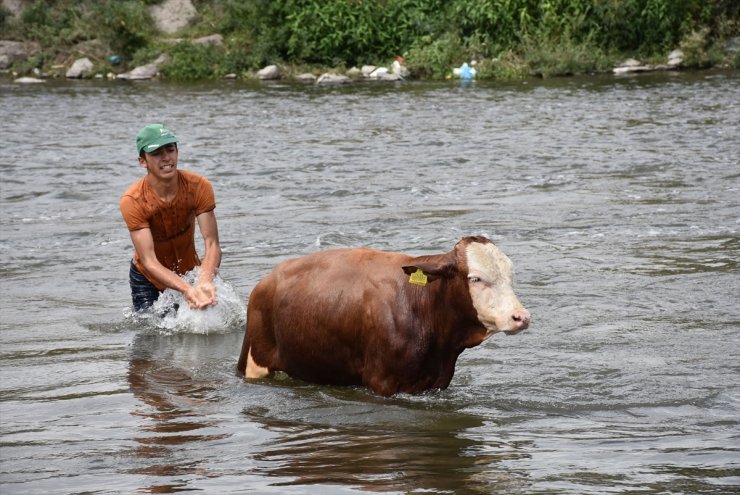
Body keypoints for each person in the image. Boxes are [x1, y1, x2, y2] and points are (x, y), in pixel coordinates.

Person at [120, 123, 222, 312]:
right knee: (153, 335)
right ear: (143, 161)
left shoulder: (199, 186)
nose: (166, 158)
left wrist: (205, 282)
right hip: (148, 279)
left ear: (177, 151)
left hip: (191, 272)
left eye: (170, 149)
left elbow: (212, 244)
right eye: (157, 153)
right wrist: (187, 290)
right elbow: (149, 261)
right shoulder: (132, 200)